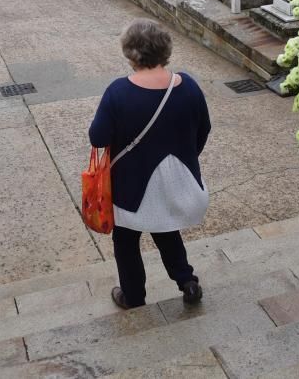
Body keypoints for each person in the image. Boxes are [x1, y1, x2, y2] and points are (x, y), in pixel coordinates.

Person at [89, 19, 211, 309]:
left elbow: (98, 138)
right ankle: (187, 281)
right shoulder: (189, 85)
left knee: (126, 242)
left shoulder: (118, 92)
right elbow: (203, 130)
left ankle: (133, 297)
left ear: (131, 54)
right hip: (176, 183)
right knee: (166, 229)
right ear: (165, 50)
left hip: (132, 188)